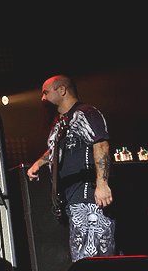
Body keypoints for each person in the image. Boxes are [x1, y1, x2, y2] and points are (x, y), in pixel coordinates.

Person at [26, 75, 115, 261]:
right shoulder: (61, 122)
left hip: (89, 199)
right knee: (81, 259)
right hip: (73, 201)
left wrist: (102, 184)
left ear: (62, 90)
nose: (42, 98)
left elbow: (101, 145)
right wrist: (38, 163)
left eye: (45, 93)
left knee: (93, 261)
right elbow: (57, 149)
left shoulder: (86, 113)